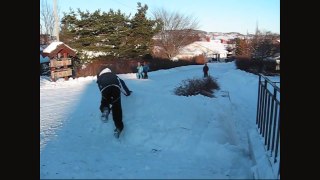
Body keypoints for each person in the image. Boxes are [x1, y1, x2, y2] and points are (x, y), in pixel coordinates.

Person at [96, 67, 132, 138]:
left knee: (104, 101)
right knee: (117, 108)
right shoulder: (114, 76)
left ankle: (105, 109)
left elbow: (100, 89)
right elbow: (122, 85)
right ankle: (118, 127)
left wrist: (108, 100)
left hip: (105, 89)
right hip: (115, 89)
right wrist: (127, 93)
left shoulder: (100, 78)